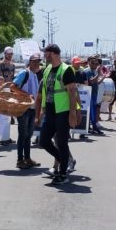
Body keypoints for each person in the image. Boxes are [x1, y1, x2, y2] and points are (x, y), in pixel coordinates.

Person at [35, 44, 81, 184]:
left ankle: (62, 174)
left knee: (61, 142)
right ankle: (64, 160)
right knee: (43, 140)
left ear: (53, 54)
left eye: (46, 53)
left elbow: (72, 93)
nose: (44, 56)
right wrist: (41, 111)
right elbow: (45, 91)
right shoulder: (47, 69)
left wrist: (72, 113)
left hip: (62, 111)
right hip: (49, 111)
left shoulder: (66, 70)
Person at [12, 54, 42, 168]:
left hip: (32, 108)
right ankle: (20, 160)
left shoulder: (34, 75)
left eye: (38, 62)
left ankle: (27, 158)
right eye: (34, 61)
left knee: (28, 135)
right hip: (23, 108)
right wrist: (27, 95)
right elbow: (13, 87)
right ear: (29, 62)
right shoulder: (24, 73)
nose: (36, 64)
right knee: (23, 134)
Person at [83, 56, 105, 135]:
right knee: (91, 111)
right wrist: (98, 74)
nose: (95, 65)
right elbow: (91, 82)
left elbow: (96, 82)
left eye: (96, 63)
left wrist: (102, 78)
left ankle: (91, 127)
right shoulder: (87, 71)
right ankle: (93, 127)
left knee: (93, 111)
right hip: (89, 94)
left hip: (94, 93)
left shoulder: (95, 71)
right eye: (93, 63)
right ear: (89, 63)